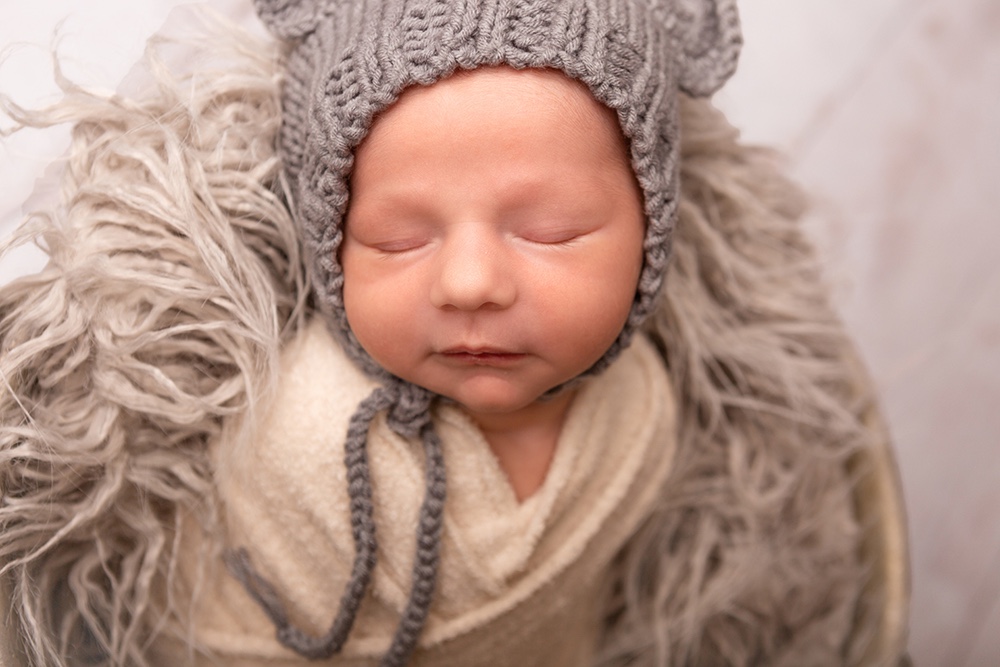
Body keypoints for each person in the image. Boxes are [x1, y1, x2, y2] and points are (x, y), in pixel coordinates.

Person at [0, 0, 906, 665]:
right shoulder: (285, 427)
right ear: (326, 247)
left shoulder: (650, 419)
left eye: (549, 231)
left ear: (653, 235)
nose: (471, 283)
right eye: (398, 237)